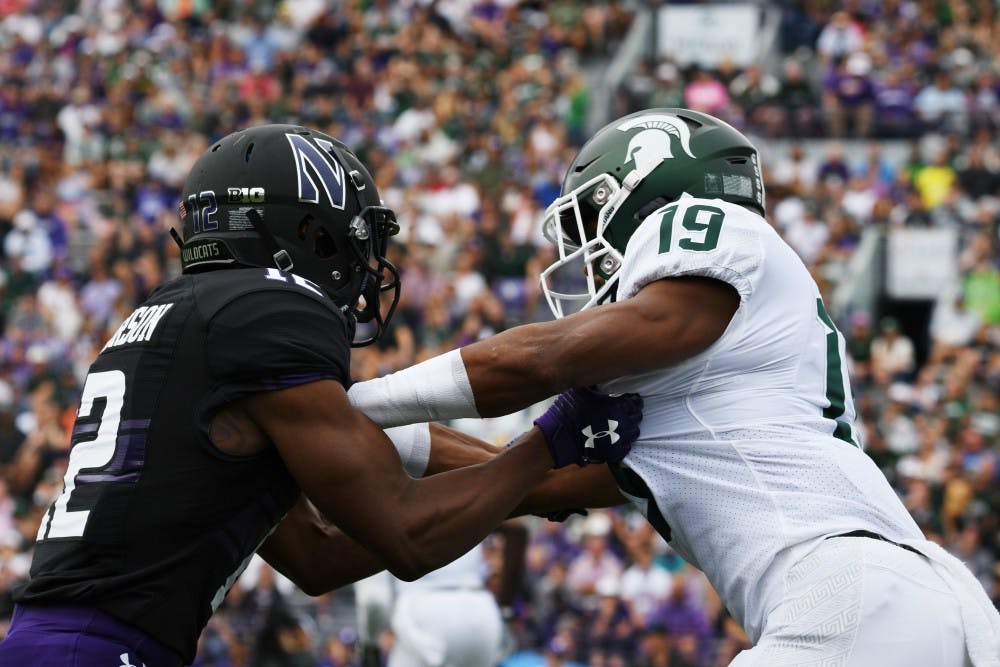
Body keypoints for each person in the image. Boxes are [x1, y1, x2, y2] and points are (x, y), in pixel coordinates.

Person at [348, 108, 1000, 665]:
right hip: (919, 604)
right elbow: (528, 477)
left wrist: (359, 399)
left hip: (850, 592)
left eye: (591, 227)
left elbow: (547, 357)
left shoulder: (707, 230)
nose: (585, 256)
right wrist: (371, 434)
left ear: (643, 196)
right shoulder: (690, 387)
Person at [0, 124, 644, 666]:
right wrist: (544, 446)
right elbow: (406, 534)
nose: (364, 267)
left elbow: (318, 555)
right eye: (351, 239)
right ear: (305, 234)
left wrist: (517, 485)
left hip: (62, 639)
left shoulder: (178, 318)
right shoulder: (267, 307)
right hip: (102, 646)